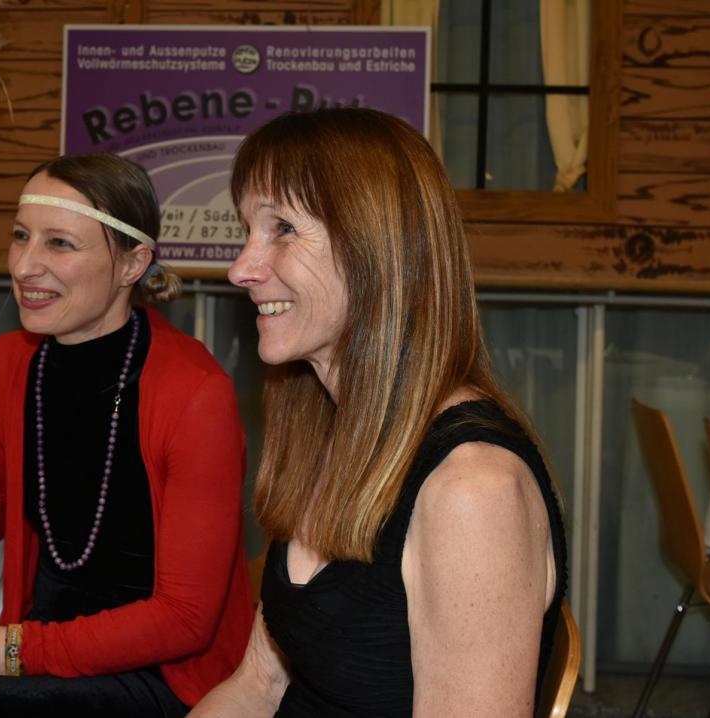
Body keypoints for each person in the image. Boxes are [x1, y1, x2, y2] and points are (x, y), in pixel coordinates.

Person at [190, 108, 568, 718]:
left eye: (282, 228)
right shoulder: (332, 433)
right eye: (247, 230)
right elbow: (259, 684)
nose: (240, 268)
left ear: (376, 251)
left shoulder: (473, 491)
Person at [0, 153, 253, 717]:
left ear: (133, 263)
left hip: (162, 673)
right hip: (51, 635)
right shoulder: (0, 368)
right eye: (20, 236)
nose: (25, 266)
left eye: (59, 243)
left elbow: (186, 619)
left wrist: (13, 650)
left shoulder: (195, 394)